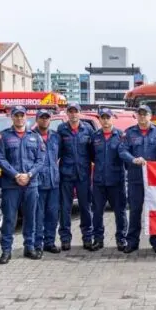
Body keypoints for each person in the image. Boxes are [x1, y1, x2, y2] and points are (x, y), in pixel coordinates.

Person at [0, 106, 45, 263]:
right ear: (12, 117)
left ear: (26, 117)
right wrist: (16, 174)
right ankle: (6, 250)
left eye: (21, 115)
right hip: (11, 184)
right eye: (16, 115)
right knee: (9, 218)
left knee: (30, 217)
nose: (19, 118)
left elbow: (40, 160)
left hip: (31, 184)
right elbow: (0, 159)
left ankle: (29, 247)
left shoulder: (35, 137)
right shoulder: (3, 137)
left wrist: (29, 174)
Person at [118, 105, 156, 253]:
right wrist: (133, 159)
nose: (142, 117)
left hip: (154, 180)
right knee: (135, 211)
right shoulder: (129, 132)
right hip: (135, 179)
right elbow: (122, 150)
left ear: (150, 116)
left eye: (145, 114)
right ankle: (132, 242)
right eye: (140, 114)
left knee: (155, 210)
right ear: (136, 116)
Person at [58, 102, 94, 251]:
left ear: (80, 113)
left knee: (85, 208)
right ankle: (65, 239)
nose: (73, 114)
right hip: (66, 174)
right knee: (65, 208)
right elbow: (57, 151)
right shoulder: (61, 129)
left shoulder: (88, 129)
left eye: (75, 112)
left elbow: (93, 151)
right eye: (70, 112)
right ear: (67, 113)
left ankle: (87, 238)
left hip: (83, 174)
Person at [91, 107, 127, 251]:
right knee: (97, 213)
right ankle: (98, 240)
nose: (105, 120)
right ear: (99, 119)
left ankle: (121, 239)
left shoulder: (121, 136)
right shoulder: (95, 136)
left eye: (107, 117)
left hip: (116, 181)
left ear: (112, 118)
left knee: (120, 212)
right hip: (99, 182)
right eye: (102, 118)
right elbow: (92, 156)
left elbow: (124, 155)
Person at [34, 109, 61, 255]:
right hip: (38, 183)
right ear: (37, 120)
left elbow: (60, 155)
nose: (44, 120)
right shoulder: (31, 137)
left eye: (47, 118)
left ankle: (49, 242)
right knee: (38, 215)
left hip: (54, 182)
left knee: (52, 214)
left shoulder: (55, 137)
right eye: (42, 118)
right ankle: (37, 244)